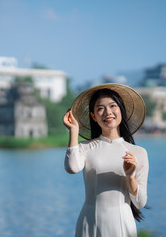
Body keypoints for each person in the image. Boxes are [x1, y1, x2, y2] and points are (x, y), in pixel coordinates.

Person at [63, 83, 149, 237]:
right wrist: (73, 131)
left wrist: (130, 176)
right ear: (94, 116)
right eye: (100, 108)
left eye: (112, 106)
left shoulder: (138, 153)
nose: (107, 112)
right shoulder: (85, 147)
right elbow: (72, 168)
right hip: (89, 222)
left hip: (122, 225)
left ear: (121, 110)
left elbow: (140, 202)